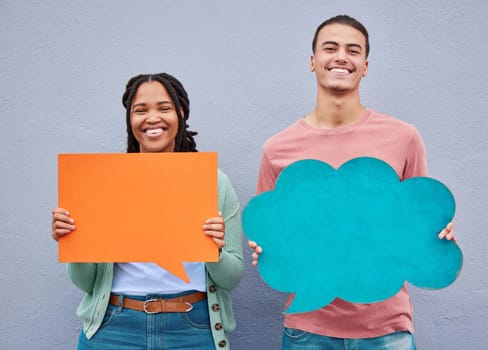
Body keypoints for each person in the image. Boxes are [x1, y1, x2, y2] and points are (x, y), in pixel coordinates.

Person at [248, 15, 455, 350]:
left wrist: (438, 235)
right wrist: (267, 250)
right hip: (308, 330)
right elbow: (271, 232)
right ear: (313, 62)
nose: (341, 56)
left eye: (353, 50)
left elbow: (419, 223)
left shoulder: (403, 137)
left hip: (388, 330)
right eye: (330, 48)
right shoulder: (277, 149)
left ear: (365, 65)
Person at [52, 73, 244, 350]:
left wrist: (214, 250)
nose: (152, 118)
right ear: (130, 120)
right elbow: (86, 283)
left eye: (164, 108)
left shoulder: (214, 181)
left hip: (192, 329)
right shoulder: (103, 182)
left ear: (180, 114)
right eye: (140, 110)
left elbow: (232, 278)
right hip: (114, 329)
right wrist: (73, 242)